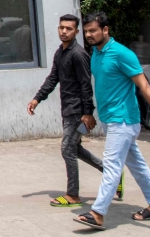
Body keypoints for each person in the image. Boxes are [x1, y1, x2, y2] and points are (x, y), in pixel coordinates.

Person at [73, 13, 150, 230]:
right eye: (87, 31)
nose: (89, 35)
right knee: (137, 165)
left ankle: (97, 213)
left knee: (111, 166)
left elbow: (144, 86)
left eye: (93, 30)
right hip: (111, 120)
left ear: (105, 30)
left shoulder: (122, 54)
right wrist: (89, 113)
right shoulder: (96, 54)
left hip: (124, 120)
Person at [28, 14, 105, 206]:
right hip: (68, 110)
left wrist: (88, 113)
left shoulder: (78, 54)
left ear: (76, 32)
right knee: (74, 147)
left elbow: (86, 85)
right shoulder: (60, 52)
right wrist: (38, 98)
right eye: (62, 27)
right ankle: (110, 171)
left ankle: (73, 194)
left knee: (67, 148)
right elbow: (53, 78)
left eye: (69, 28)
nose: (64, 31)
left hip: (78, 113)